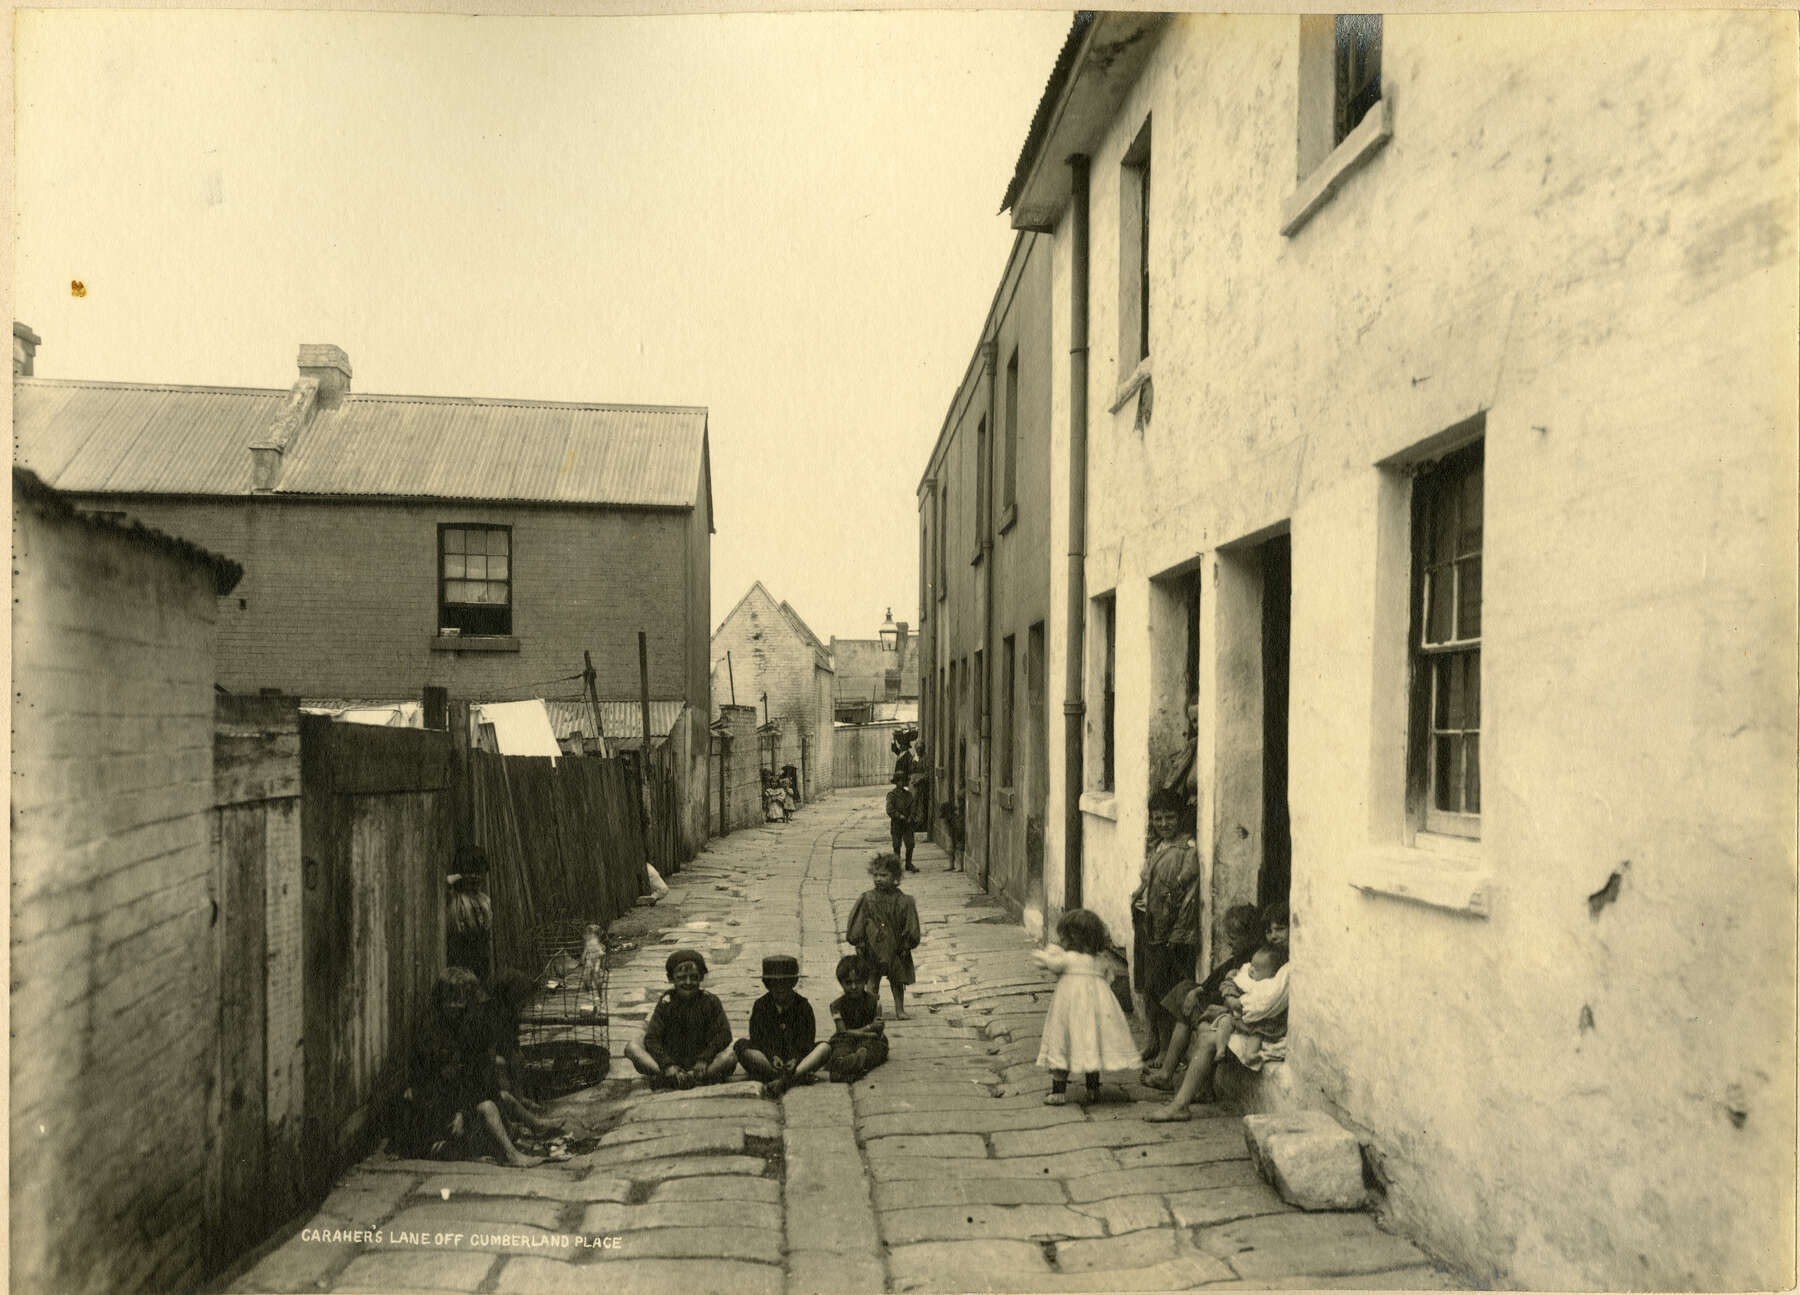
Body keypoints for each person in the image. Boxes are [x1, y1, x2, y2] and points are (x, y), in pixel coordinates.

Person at [1147, 911, 1291, 1123]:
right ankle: (1182, 1101)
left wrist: (1232, 1005)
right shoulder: (1267, 956)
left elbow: (1263, 1005)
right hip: (1252, 1019)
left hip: (1266, 1028)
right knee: (1208, 1031)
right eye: (1270, 931)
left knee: (1208, 1034)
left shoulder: (1287, 969)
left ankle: (1180, 1104)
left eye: (1281, 929)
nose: (1274, 936)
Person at [398, 967, 539, 1166]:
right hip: (433, 1105)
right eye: (453, 999)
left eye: (463, 1000)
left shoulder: (463, 1028)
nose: (458, 1005)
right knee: (488, 1108)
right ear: (441, 1000)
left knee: (499, 1101)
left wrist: (463, 1110)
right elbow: (438, 1081)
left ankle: (526, 1131)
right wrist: (460, 1112)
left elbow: (469, 1077)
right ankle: (511, 1155)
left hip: (451, 1101)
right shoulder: (433, 1033)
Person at [1142, 903, 1261, 1091]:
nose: (1229, 942)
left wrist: (1200, 993)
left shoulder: (1255, 960)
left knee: (1186, 1003)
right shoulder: (1240, 955)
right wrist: (1199, 990)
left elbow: (1238, 990)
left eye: (1234, 937)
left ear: (1250, 936)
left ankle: (1167, 1073)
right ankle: (1169, 1071)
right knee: (1185, 993)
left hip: (1232, 1009)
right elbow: (1217, 976)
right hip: (1223, 1002)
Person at [1031, 909, 1142, 1106]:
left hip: (1068, 1009)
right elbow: (1110, 978)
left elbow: (1048, 963)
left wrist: (1045, 952)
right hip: (1096, 1009)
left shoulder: (1068, 958)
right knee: (1092, 1043)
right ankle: (1092, 1089)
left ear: (1071, 937)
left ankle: (1058, 1091)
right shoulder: (1100, 960)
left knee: (1062, 1043)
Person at [1132, 787, 1202, 1069]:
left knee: (1164, 988)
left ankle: (1165, 1052)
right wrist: (1136, 897)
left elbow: (1184, 889)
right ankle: (1153, 1041)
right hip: (1146, 923)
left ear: (1180, 817)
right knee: (1148, 986)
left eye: (1169, 818)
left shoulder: (1187, 849)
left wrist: (1175, 928)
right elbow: (1147, 881)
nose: (1163, 824)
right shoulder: (1157, 846)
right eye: (1158, 819)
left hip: (1168, 931)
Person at [624, 949, 738, 1089]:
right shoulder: (666, 1002)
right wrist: (668, 1065)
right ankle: (673, 1076)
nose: (688, 982)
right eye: (682, 977)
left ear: (702, 977)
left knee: (733, 1052)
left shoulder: (711, 1001)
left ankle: (681, 1079)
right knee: (632, 1047)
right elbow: (652, 1038)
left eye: (694, 977)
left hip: (702, 1064)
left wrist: (704, 1059)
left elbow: (724, 1034)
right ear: (670, 978)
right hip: (671, 1062)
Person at [735, 954, 831, 1099]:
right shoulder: (761, 1005)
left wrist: (795, 1058)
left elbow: (807, 1039)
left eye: (785, 983)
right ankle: (789, 1078)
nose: (780, 988)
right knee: (741, 1046)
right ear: (767, 984)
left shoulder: (803, 1006)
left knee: (825, 1048)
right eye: (774, 983)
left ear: (793, 983)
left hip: (796, 1060)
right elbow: (757, 1037)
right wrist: (772, 1056)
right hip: (770, 1061)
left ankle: (784, 1080)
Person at [846, 853, 921, 1020]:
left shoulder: (904, 901)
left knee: (897, 980)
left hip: (896, 947)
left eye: (884, 875)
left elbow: (911, 925)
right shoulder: (867, 899)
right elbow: (858, 922)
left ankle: (899, 1009)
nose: (878, 879)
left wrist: (907, 943)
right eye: (876, 875)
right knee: (872, 979)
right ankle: (871, 1009)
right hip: (872, 947)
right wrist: (859, 942)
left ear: (895, 877)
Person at [824, 954, 889, 1083]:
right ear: (841, 983)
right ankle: (853, 1067)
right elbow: (842, 1033)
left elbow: (878, 1032)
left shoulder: (874, 1002)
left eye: (858, 982)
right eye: (848, 983)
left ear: (865, 981)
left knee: (874, 1050)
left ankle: (844, 1069)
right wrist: (869, 1028)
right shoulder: (836, 1005)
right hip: (846, 1041)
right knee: (838, 1051)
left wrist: (864, 1032)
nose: (853, 987)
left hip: (869, 1042)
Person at [886, 772, 919, 872]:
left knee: (910, 844)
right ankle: (897, 866)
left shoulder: (908, 795)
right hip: (896, 823)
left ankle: (908, 864)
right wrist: (899, 816)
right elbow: (889, 810)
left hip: (907, 824)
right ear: (896, 782)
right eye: (900, 781)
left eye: (903, 781)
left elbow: (913, 807)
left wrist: (911, 817)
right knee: (896, 845)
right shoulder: (891, 795)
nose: (902, 783)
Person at [939, 799, 965, 872]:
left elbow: (959, 830)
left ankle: (960, 866)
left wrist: (955, 837)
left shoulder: (956, 820)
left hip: (957, 836)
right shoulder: (948, 820)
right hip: (952, 835)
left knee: (959, 848)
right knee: (950, 849)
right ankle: (951, 865)